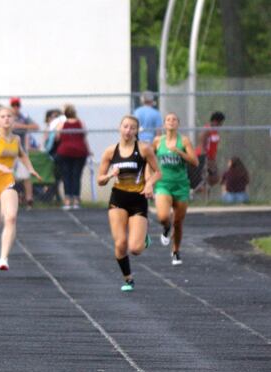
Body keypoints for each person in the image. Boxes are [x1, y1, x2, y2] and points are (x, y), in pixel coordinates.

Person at [96, 115, 161, 292]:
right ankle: (128, 278)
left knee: (135, 249)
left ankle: (143, 236)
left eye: (132, 128)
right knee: (120, 244)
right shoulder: (111, 151)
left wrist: (149, 184)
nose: (128, 131)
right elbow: (100, 180)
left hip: (138, 199)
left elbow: (158, 173)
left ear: (136, 131)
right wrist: (110, 175)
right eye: (125, 126)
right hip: (118, 199)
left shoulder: (144, 149)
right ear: (120, 128)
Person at [0, 106, 41, 271]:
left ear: (14, 119)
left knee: (10, 218)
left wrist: (30, 168)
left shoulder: (16, 139)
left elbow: (22, 155)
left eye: (9, 116)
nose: (6, 119)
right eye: (2, 117)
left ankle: (3, 259)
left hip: (7, 181)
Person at [152, 112, 198, 266]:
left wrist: (178, 151)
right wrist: (148, 180)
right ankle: (166, 228)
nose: (171, 122)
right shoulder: (158, 141)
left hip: (181, 186)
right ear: (164, 124)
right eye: (168, 119)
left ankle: (176, 250)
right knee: (163, 216)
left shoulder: (184, 141)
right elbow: (148, 159)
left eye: (174, 119)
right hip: (163, 184)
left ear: (178, 124)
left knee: (178, 222)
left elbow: (195, 162)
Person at [55, 104, 90, 210]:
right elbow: (84, 137)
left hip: (65, 151)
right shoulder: (81, 123)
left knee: (66, 176)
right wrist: (88, 150)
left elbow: (57, 138)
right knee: (76, 175)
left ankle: (67, 200)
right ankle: (76, 200)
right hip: (80, 152)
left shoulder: (61, 124)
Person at [10, 97, 40, 208]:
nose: (15, 107)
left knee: (26, 176)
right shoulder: (7, 117)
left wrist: (21, 126)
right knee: (8, 176)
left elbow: (36, 127)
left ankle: (29, 199)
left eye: (17, 105)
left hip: (21, 150)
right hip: (8, 151)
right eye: (13, 105)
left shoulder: (24, 117)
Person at [191, 111, 226, 198]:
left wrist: (213, 159)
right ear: (215, 121)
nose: (221, 125)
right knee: (211, 178)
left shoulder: (215, 131)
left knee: (215, 178)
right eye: (219, 123)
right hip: (203, 157)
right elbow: (201, 144)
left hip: (212, 158)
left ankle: (197, 191)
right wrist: (204, 159)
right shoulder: (207, 130)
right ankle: (195, 192)